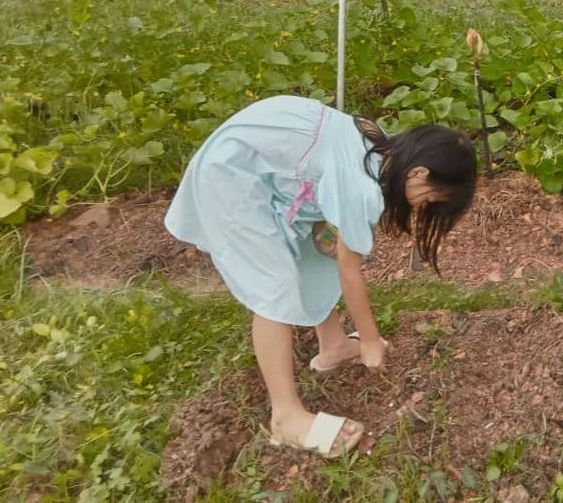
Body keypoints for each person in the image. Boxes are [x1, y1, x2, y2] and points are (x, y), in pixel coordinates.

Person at [166, 95, 477, 456]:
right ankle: (286, 417)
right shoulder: (362, 188)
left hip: (263, 169)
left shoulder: (377, 143)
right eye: (432, 198)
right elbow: (351, 273)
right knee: (275, 287)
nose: (424, 206)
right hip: (231, 178)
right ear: (419, 173)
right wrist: (372, 341)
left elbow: (320, 180)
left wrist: (321, 226)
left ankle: (333, 346)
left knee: (319, 253)